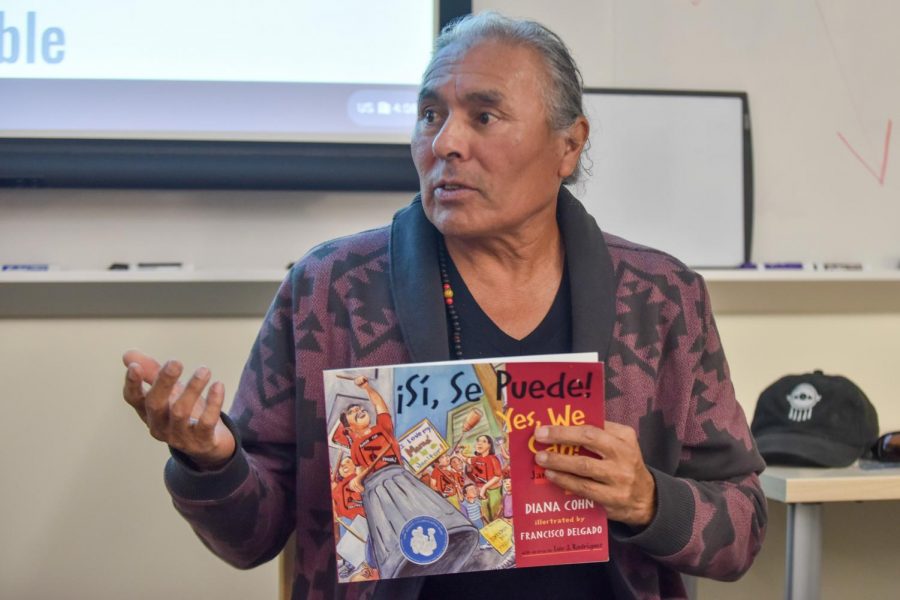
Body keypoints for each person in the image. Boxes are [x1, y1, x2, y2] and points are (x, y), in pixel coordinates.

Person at [121, 11, 766, 600]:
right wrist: (211, 462)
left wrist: (651, 500)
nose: (446, 142)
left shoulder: (661, 297)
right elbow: (252, 538)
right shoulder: (329, 290)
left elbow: (743, 524)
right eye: (431, 114)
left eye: (484, 116)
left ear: (568, 146)